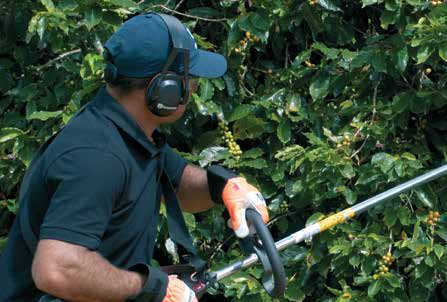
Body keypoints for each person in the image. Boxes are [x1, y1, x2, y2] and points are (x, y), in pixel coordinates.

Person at [0, 13, 269, 302]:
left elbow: (180, 185)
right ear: (164, 88)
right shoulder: (97, 158)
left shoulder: (131, 134)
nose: (192, 89)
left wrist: (227, 187)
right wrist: (153, 288)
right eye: (188, 80)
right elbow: (57, 269)